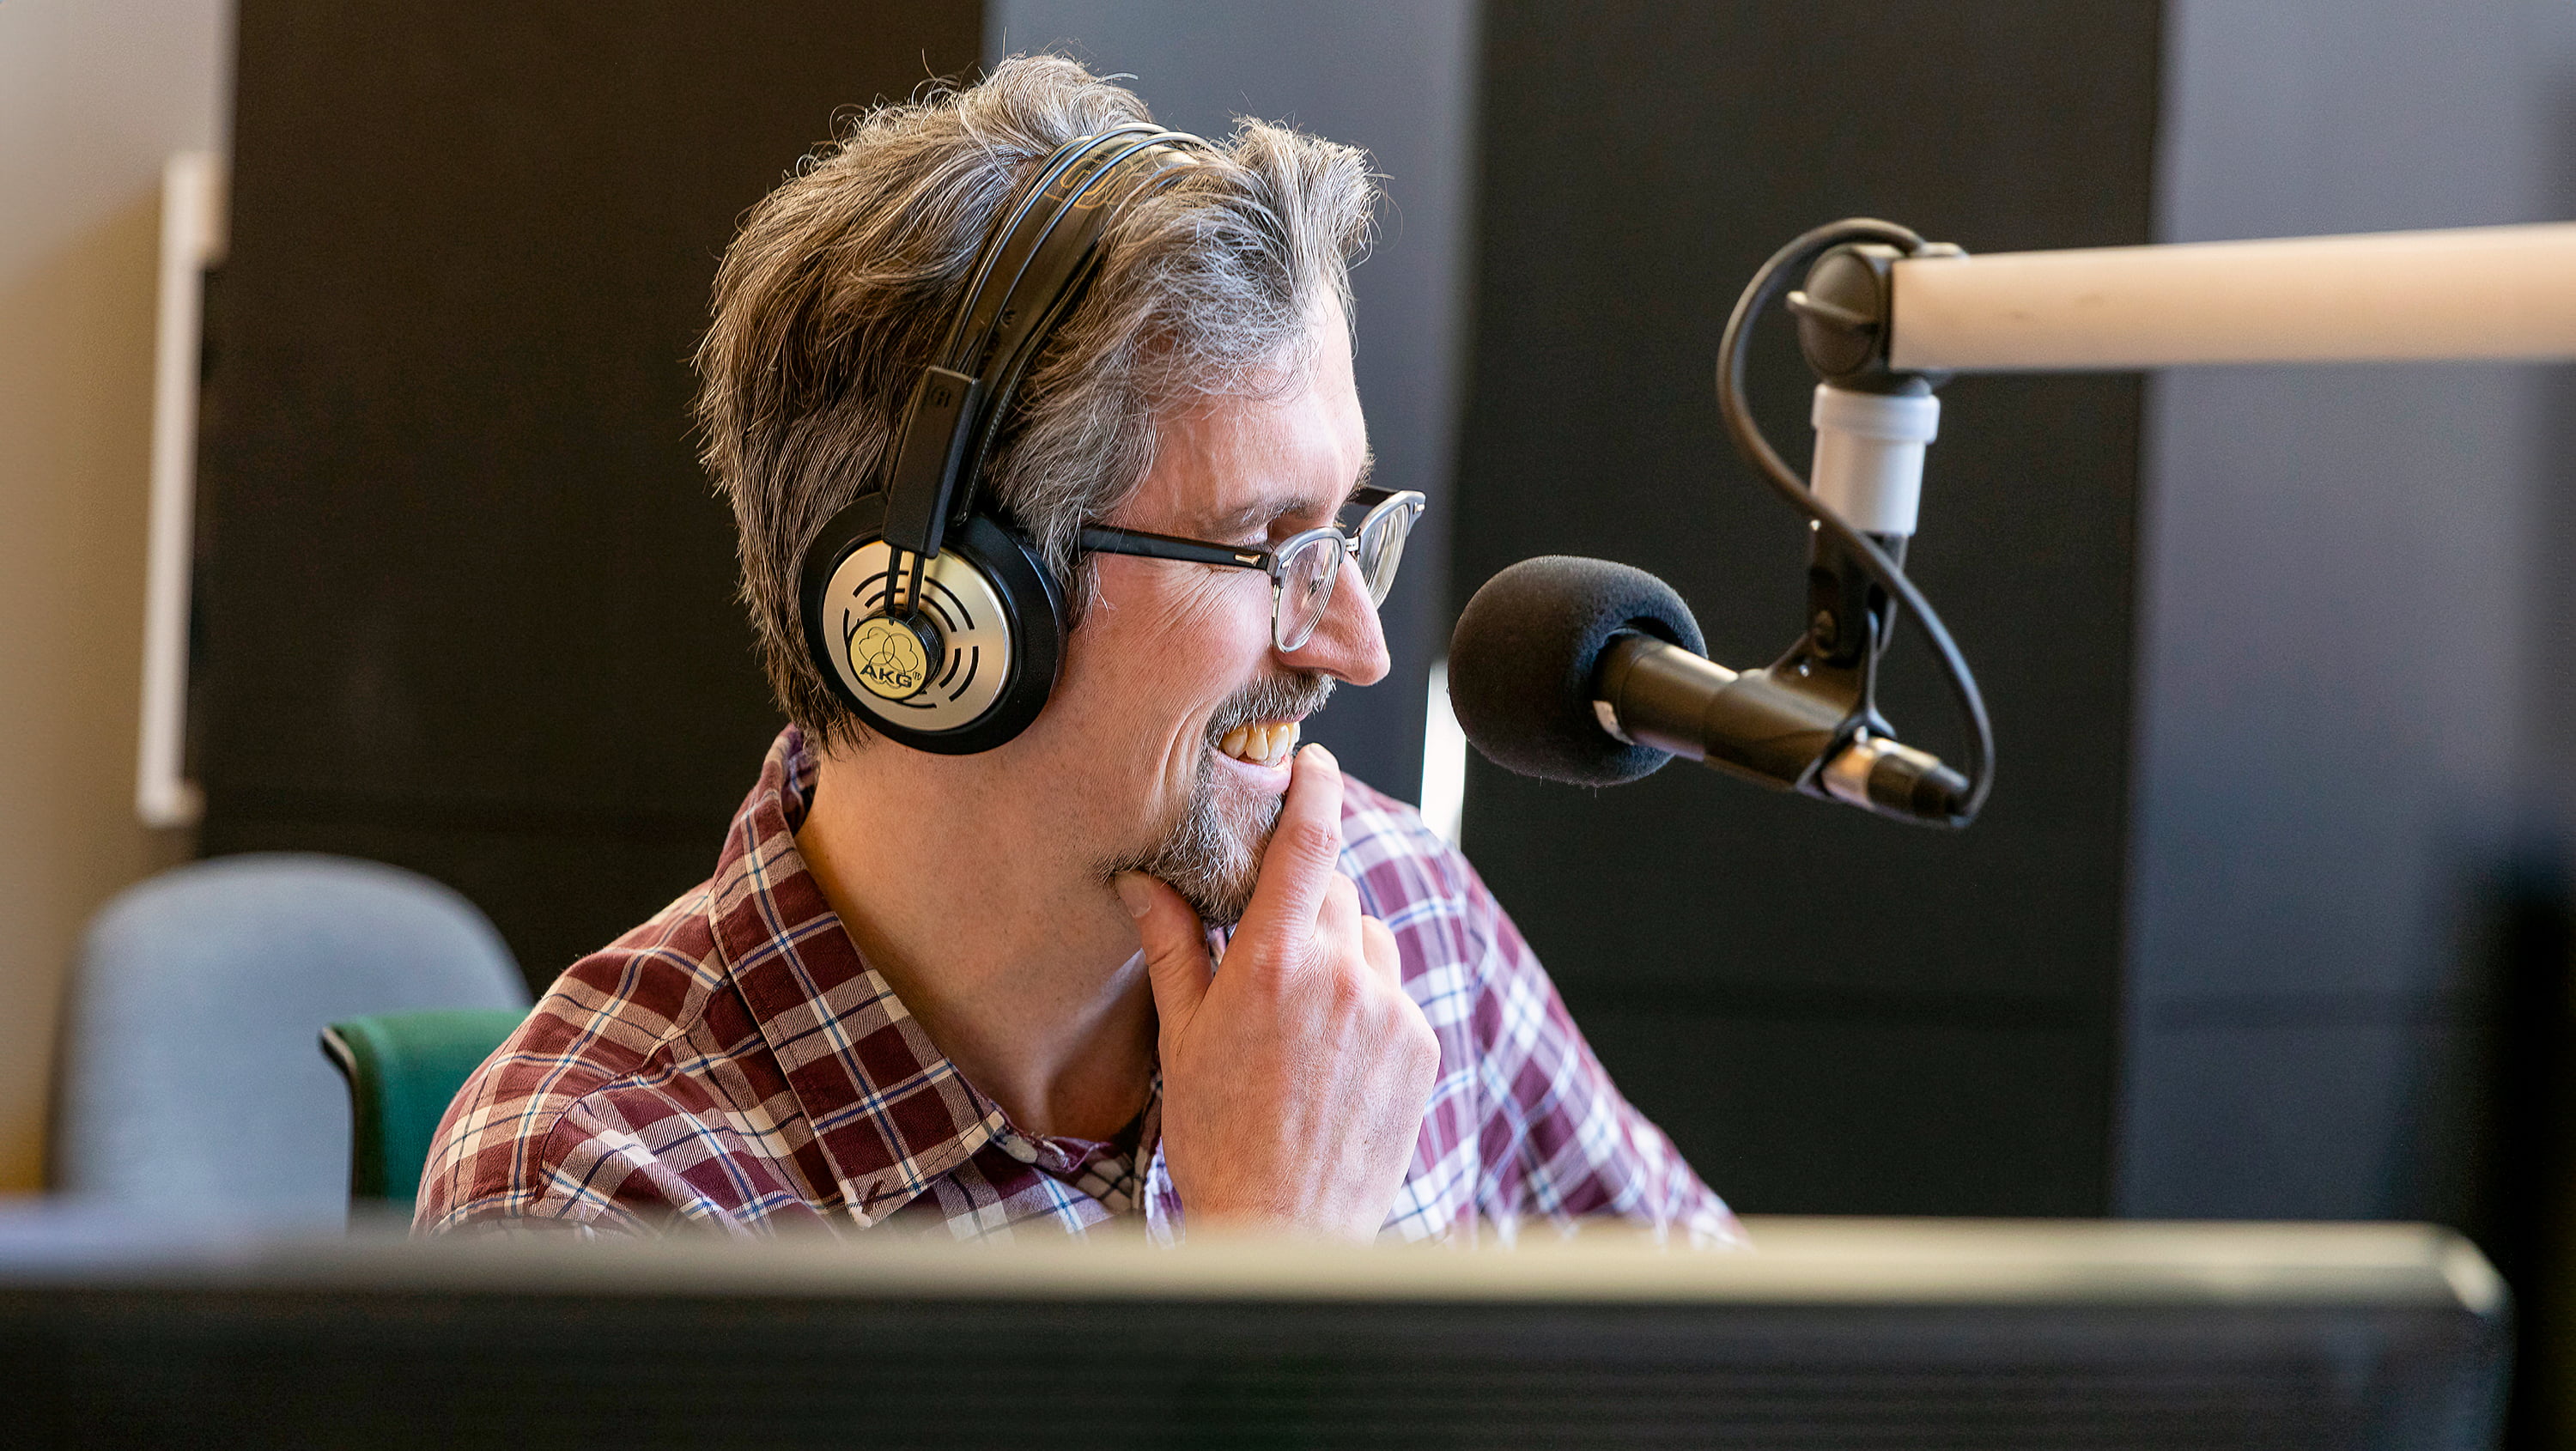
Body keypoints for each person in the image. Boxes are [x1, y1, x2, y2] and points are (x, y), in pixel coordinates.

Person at [416, 56, 1735, 1245]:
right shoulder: (594, 1204)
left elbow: (1745, 1385)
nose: (1357, 646)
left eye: (1345, 531)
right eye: (1267, 546)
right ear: (944, 619)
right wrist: (1275, 1272)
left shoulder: (1402, 929)